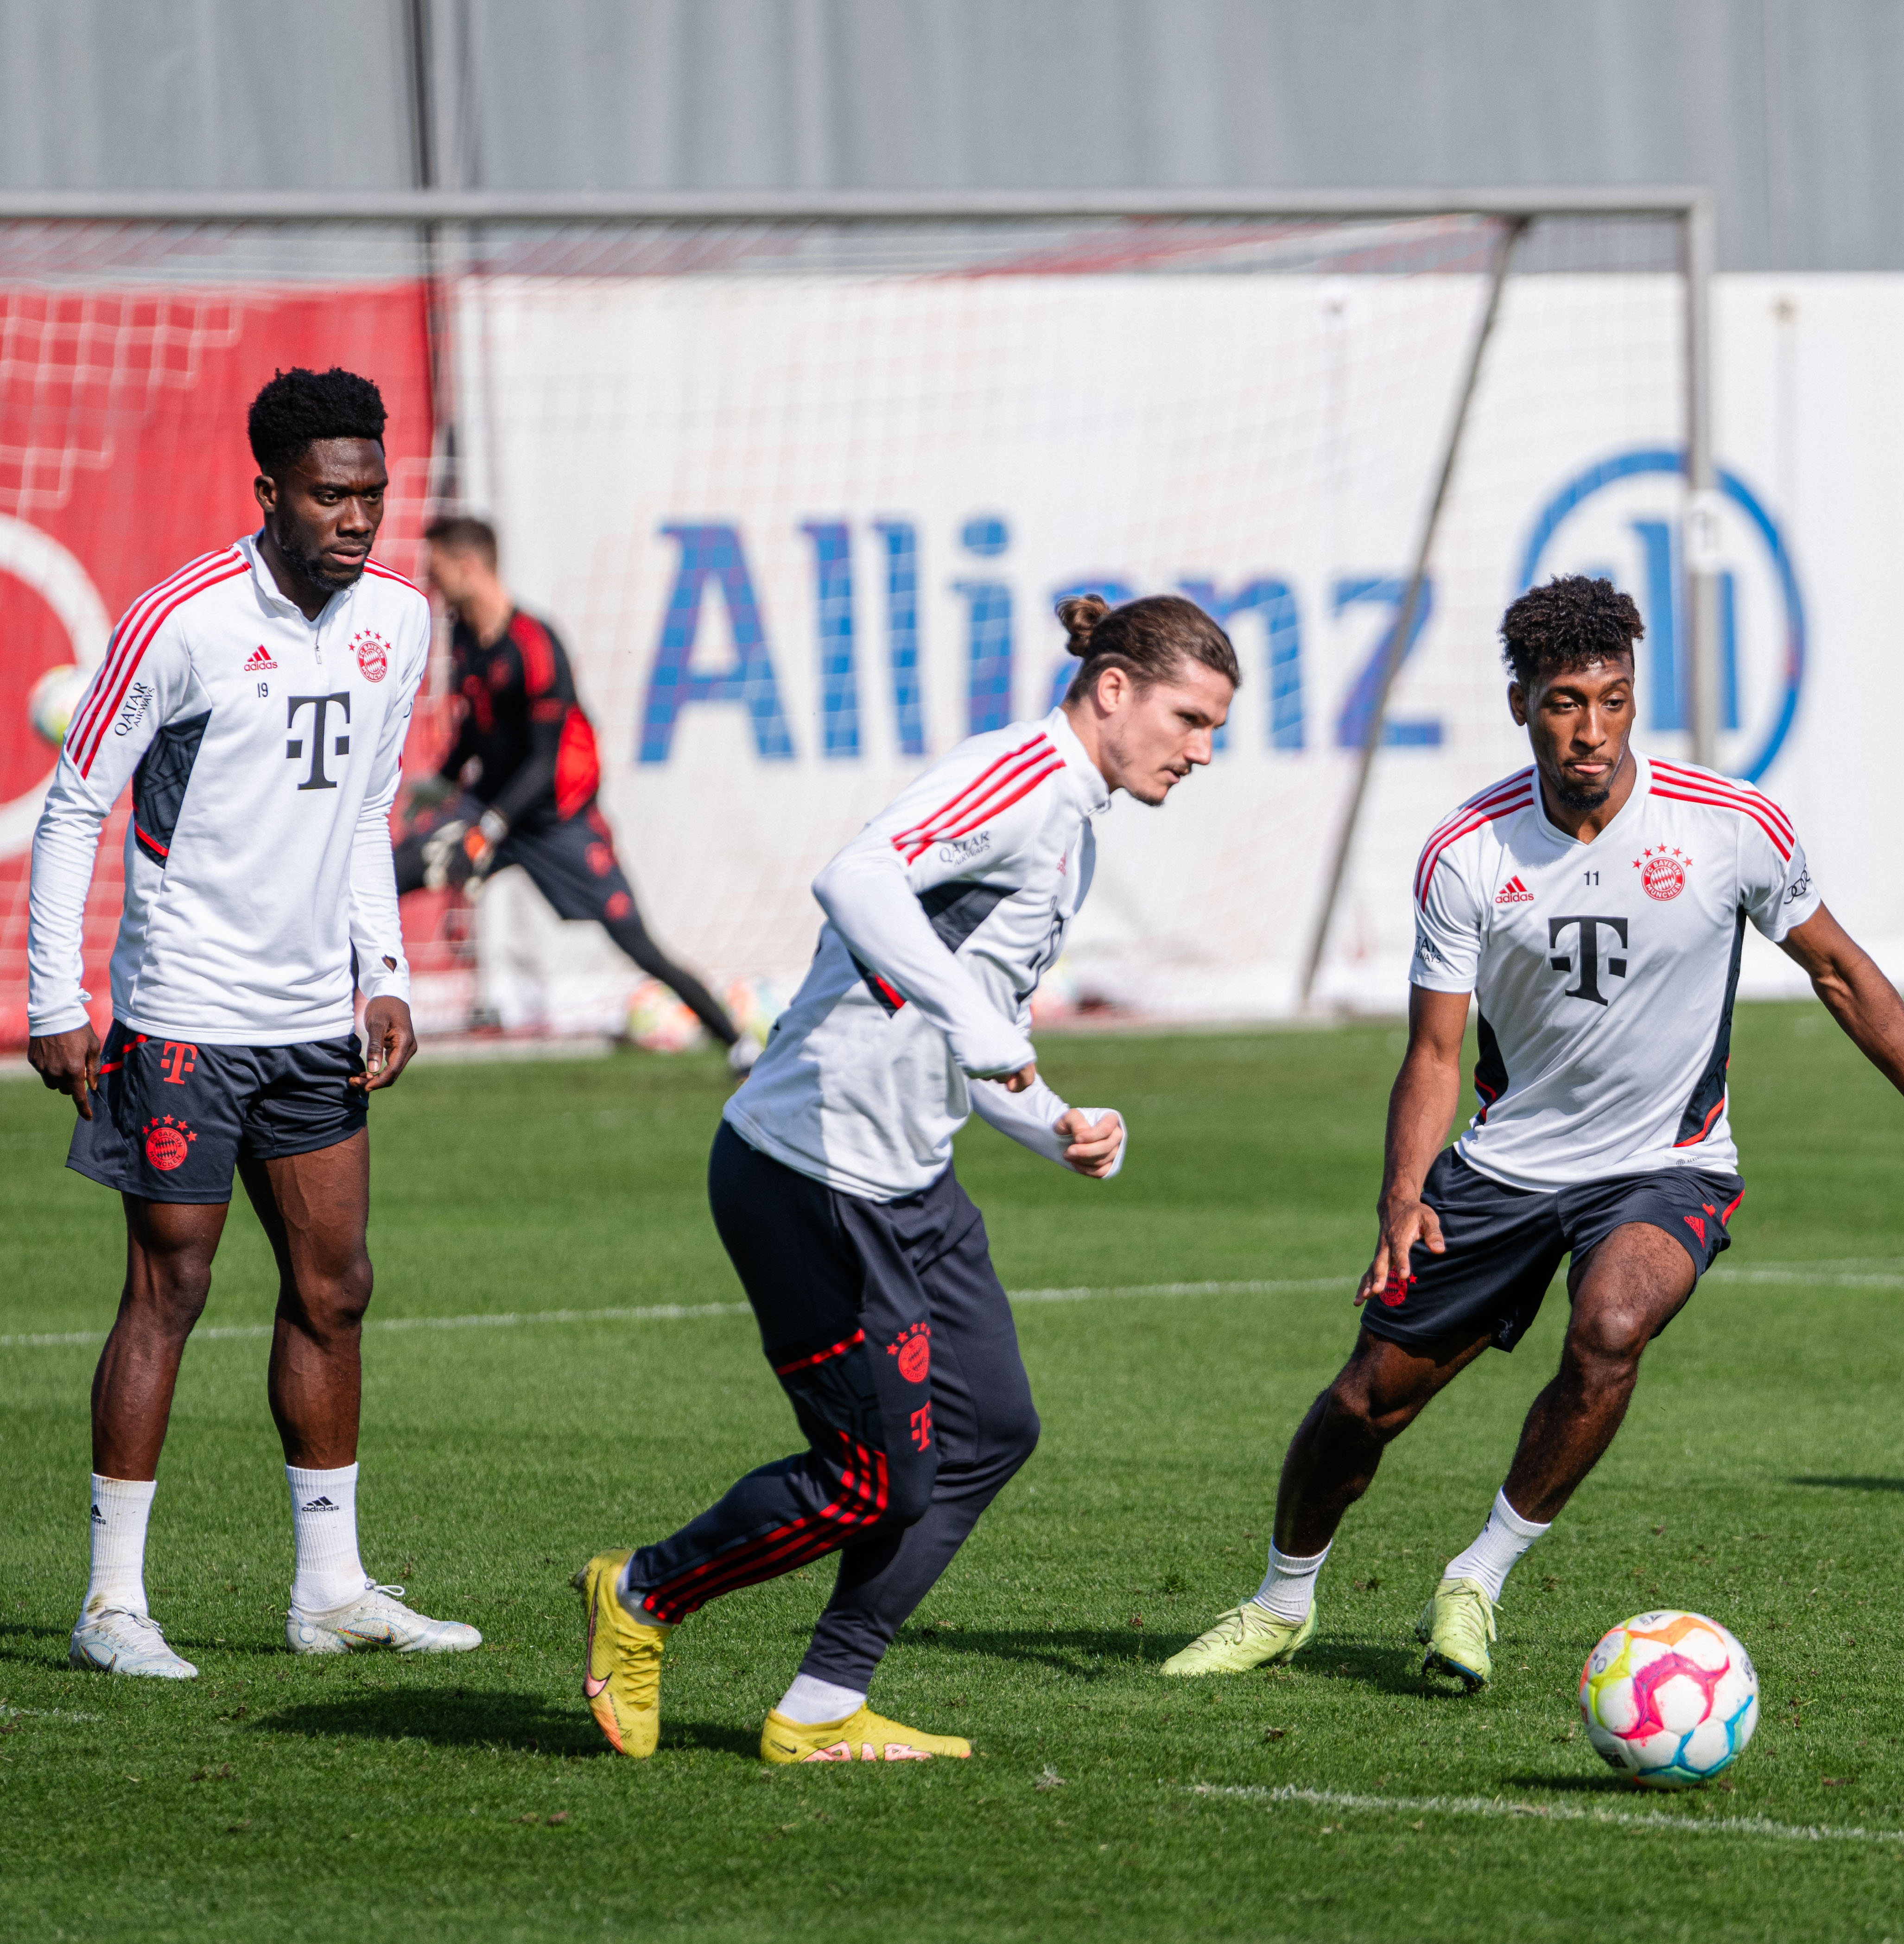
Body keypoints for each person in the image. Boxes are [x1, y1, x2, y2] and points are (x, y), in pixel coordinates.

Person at [1160, 575, 1904, 1690]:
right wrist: (1401, 1193)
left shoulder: (1729, 825)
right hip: (1507, 1165)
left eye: (1613, 700)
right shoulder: (1467, 851)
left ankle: (1477, 1577)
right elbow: (1431, 1053)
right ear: (1521, 705)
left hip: (1669, 1162)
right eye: (1565, 702)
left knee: (1611, 1323)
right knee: (1368, 1402)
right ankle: (1281, 1603)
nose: (1592, 730)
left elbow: (1841, 974)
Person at [571, 592, 1234, 1764]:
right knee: (873, 1478)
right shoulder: (1021, 779)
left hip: (906, 1180)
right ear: (1115, 688)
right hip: (808, 1174)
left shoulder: (1072, 830)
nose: (1201, 751)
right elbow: (857, 877)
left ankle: (822, 1708)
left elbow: (976, 1033)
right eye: (1190, 718)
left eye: (1214, 728)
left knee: (992, 1432)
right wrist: (976, 1023)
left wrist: (1054, 1123)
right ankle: (642, 1595)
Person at [23, 366, 478, 1677]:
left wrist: (381, 970)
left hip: (308, 1022)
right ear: (269, 490)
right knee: (168, 1286)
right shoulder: (182, 621)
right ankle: (114, 1602)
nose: (359, 517)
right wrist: (60, 999)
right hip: (181, 1016)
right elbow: (73, 808)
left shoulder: (400, 621)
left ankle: (328, 1590)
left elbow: (366, 813)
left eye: (374, 494)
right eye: (333, 494)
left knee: (336, 1289)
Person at [397, 514, 754, 1068]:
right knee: (381, 878)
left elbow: (544, 763)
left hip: (554, 820)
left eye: (438, 568)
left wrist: (486, 830)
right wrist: (443, 780)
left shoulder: (536, 645)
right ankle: (321, 1031)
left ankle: (740, 1043)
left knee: (636, 941)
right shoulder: (462, 631)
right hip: (484, 807)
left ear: (469, 565)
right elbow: (476, 724)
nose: (431, 581)